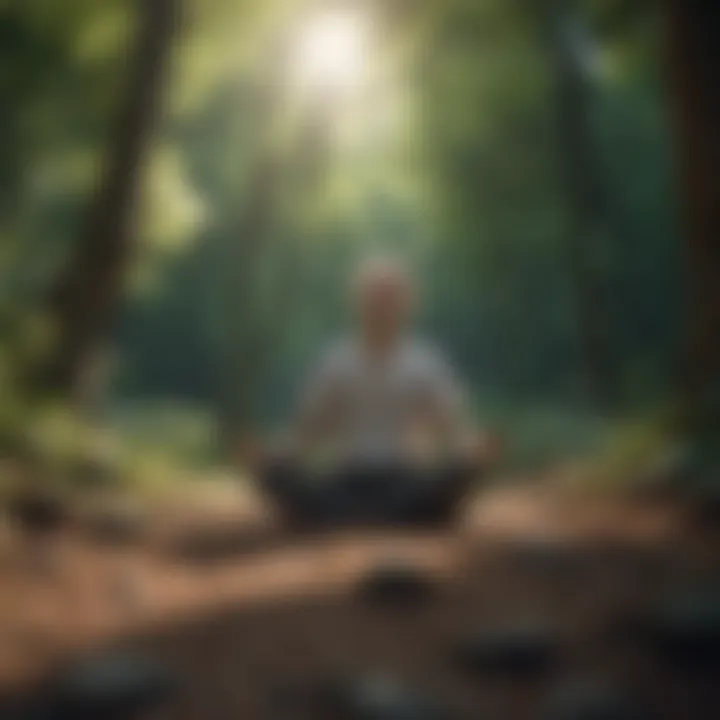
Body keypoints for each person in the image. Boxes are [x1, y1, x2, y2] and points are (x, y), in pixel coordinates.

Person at [242, 256, 496, 525]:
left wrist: (472, 453)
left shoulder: (427, 362)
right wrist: (273, 456)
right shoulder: (336, 360)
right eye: (374, 296)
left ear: (407, 303)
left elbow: (452, 427)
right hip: (349, 478)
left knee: (443, 484)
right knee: (292, 483)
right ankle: (381, 515)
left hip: (403, 477)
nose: (380, 306)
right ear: (357, 301)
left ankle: (368, 515)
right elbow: (308, 429)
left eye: (389, 297)